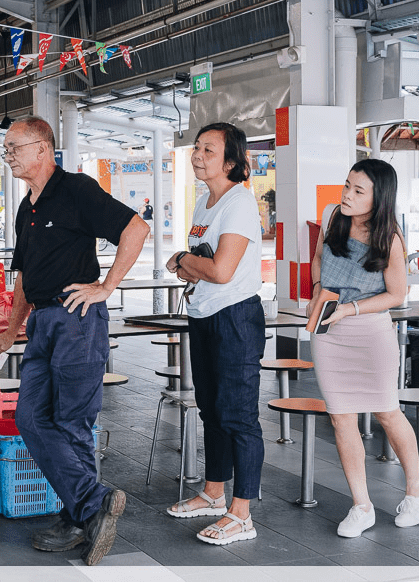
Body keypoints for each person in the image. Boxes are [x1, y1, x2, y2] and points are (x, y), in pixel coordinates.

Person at [0, 116, 149, 565]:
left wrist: (107, 286)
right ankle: (91, 504)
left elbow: (136, 229)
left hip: (77, 320)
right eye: (6, 149)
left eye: (13, 147)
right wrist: (10, 329)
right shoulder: (26, 207)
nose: (9, 155)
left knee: (72, 422)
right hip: (41, 323)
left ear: (43, 148)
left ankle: (78, 516)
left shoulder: (76, 188)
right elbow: (23, 277)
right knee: (32, 418)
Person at [308, 158, 419, 538]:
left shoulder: (389, 237)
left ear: (378, 198)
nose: (347, 194)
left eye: (357, 190)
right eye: (347, 185)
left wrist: (350, 308)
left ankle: (417, 488)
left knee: (387, 411)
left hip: (369, 332)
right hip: (328, 331)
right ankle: (361, 505)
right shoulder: (333, 216)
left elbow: (398, 294)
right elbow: (317, 260)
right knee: (340, 416)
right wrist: (320, 293)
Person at [164, 123, 265, 545]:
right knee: (211, 409)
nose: (197, 155)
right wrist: (188, 262)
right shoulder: (205, 203)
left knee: (239, 415)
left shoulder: (239, 204)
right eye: (197, 148)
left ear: (231, 162)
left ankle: (242, 513)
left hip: (235, 318)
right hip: (204, 314)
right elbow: (191, 266)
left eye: (209, 149)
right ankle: (214, 493)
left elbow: (220, 271)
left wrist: (185, 259)